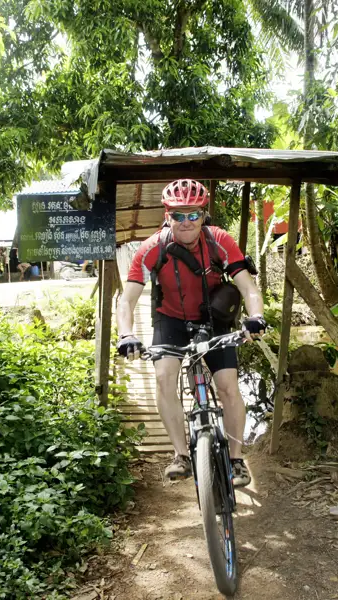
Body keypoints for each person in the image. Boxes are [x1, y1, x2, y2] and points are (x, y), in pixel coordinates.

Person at [116, 179, 266, 487]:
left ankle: (237, 460)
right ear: (167, 215)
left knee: (227, 385)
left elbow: (248, 288)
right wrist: (126, 334)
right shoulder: (151, 248)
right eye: (178, 215)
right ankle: (181, 455)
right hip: (169, 320)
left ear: (204, 214)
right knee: (162, 377)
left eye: (194, 214)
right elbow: (126, 300)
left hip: (214, 319)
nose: (187, 222)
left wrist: (256, 317)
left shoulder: (220, 241)